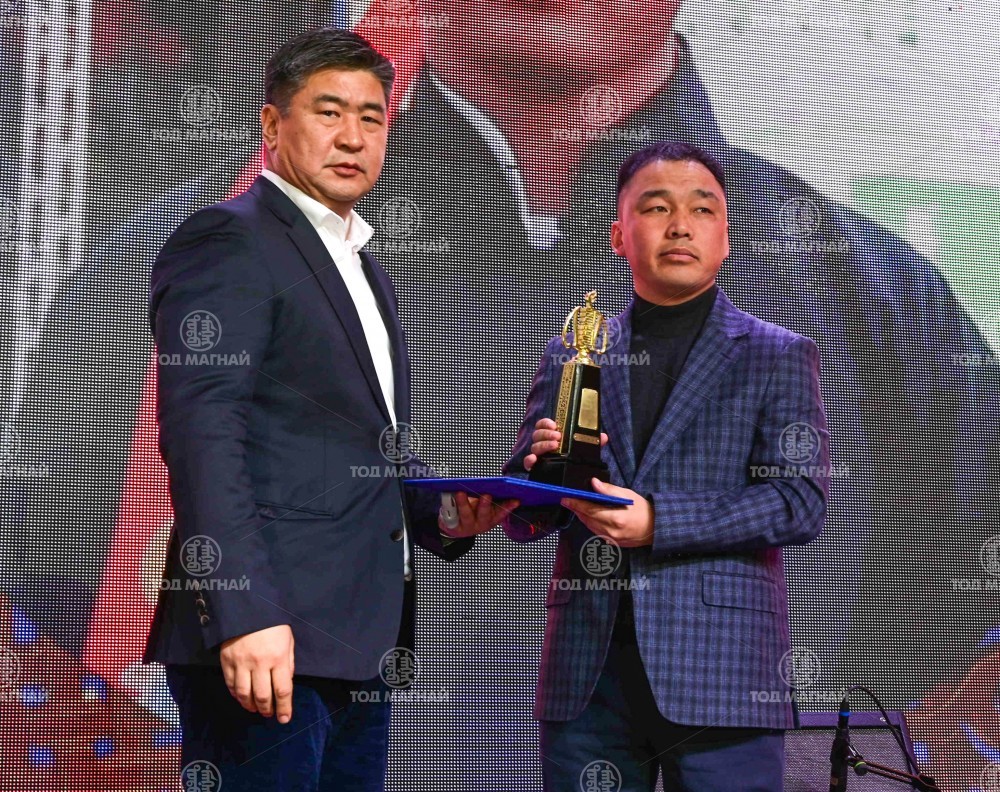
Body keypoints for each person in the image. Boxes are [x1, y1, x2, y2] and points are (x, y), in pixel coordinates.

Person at [144, 28, 513, 791]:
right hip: (267, 639)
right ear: (272, 124)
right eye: (329, 111)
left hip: (357, 643)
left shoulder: (364, 268)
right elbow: (203, 433)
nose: (353, 137)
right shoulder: (230, 239)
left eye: (372, 117)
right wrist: (245, 613)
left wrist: (445, 512)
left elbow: (355, 443)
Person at [503, 141, 830, 791]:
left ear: (726, 238)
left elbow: (800, 502)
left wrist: (658, 522)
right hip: (589, 681)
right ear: (619, 236)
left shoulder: (777, 355)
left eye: (702, 210)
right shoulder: (576, 349)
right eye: (656, 208)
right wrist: (539, 472)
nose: (680, 225)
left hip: (724, 681)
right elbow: (524, 518)